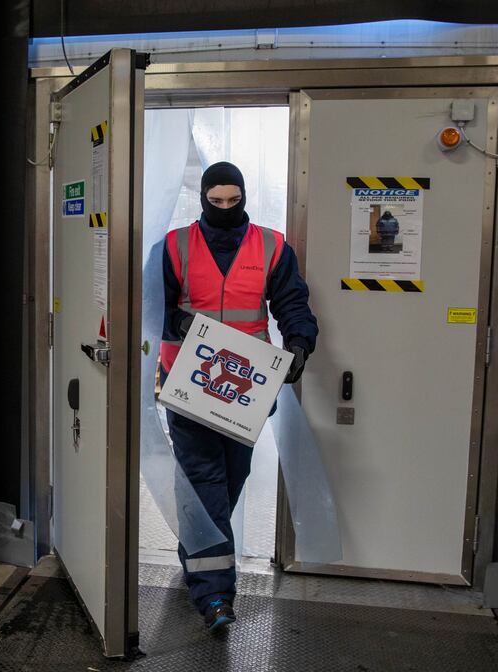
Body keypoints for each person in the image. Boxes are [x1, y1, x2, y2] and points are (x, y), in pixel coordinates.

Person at [159, 161, 318, 631]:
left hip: (246, 388)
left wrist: (298, 346)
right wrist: (181, 322)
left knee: (230, 478)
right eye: (216, 202)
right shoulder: (174, 247)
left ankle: (199, 551)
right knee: (204, 482)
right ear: (204, 198)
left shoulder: (271, 246)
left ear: (243, 196)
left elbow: (292, 302)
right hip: (190, 383)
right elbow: (151, 307)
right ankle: (214, 598)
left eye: (234, 201)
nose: (226, 209)